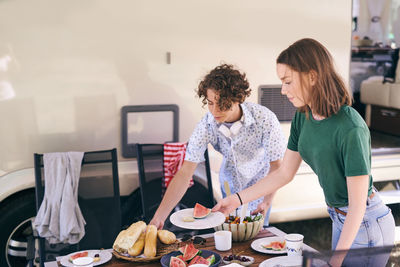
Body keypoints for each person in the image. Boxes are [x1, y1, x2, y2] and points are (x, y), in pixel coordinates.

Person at [212, 39, 395, 266]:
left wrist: (335, 260)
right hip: (341, 218)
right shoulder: (303, 115)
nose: (282, 90)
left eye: (287, 81)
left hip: (365, 223)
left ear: (312, 76)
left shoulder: (351, 128)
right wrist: (236, 199)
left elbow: (357, 206)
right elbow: (284, 173)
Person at [150, 63, 286, 229]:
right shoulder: (206, 125)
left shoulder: (264, 119)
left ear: (238, 98)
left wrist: (267, 201)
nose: (214, 110)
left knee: (256, 241)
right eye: (210, 103)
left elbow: (277, 167)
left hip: (259, 189)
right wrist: (158, 218)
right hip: (228, 190)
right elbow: (185, 173)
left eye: (222, 103)